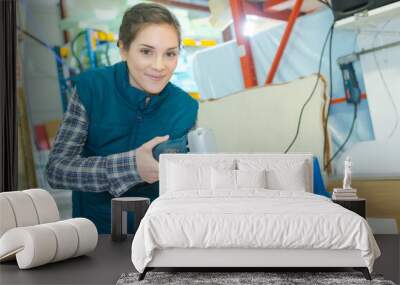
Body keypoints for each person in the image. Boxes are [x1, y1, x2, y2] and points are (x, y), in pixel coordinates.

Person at [45, 3, 198, 234]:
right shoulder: (92, 88)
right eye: (147, 51)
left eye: (170, 54)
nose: (159, 66)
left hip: (157, 234)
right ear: (123, 49)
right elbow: (57, 170)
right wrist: (132, 167)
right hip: (96, 235)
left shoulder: (185, 107)